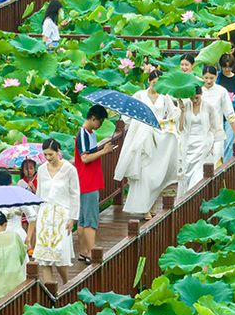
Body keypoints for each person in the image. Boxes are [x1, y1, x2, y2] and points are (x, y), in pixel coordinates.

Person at [113, 69, 181, 219]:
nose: (157, 86)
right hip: (141, 136)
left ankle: (152, 204)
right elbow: (127, 115)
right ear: (149, 81)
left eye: (160, 83)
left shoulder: (165, 97)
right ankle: (144, 209)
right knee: (143, 172)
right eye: (154, 82)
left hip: (158, 135)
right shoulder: (139, 95)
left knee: (155, 172)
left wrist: (164, 122)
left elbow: (174, 113)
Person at [29, 138, 80, 285]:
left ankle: (66, 282)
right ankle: (48, 289)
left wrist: (72, 217)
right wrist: (36, 217)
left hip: (62, 214)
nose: (48, 158)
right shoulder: (42, 169)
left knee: (61, 253)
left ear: (58, 152)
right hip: (45, 213)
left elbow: (75, 194)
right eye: (45, 155)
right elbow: (39, 193)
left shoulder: (70, 170)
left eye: (51, 154)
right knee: (44, 255)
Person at [74, 105, 115, 264]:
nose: (100, 125)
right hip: (88, 182)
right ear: (93, 118)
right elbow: (84, 158)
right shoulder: (83, 133)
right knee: (90, 220)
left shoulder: (89, 134)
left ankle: (84, 252)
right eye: (100, 121)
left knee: (83, 220)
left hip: (86, 181)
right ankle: (91, 253)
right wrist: (104, 151)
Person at [177, 86, 224, 195]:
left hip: (203, 142)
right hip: (188, 142)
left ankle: (196, 194)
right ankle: (186, 195)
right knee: (187, 171)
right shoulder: (186, 106)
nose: (194, 101)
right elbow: (180, 128)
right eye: (192, 98)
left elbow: (214, 128)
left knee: (198, 171)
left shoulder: (208, 107)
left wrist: (212, 146)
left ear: (201, 94)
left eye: (197, 98)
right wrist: (182, 111)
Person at [202, 65, 235, 162]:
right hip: (201, 131)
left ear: (216, 76)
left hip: (217, 132)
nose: (209, 81)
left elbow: (229, 112)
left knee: (216, 160)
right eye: (206, 78)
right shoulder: (198, 91)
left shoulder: (221, 91)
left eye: (211, 78)